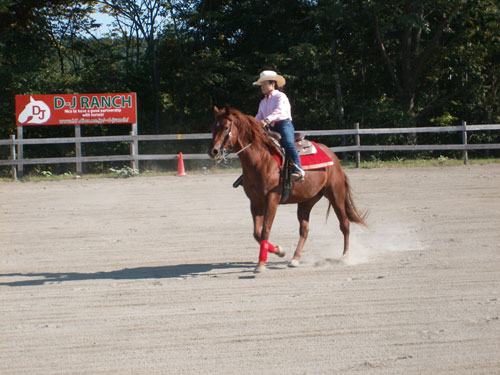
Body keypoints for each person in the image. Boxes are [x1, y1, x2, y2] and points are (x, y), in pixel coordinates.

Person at [254, 70, 305, 182]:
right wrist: (252, 124)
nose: (262, 87)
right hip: (270, 128)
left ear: (272, 84)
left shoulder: (280, 96)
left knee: (287, 143)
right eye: (261, 85)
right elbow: (258, 116)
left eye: (264, 84)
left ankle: (298, 169)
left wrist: (266, 120)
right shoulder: (263, 102)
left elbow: (279, 111)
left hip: (283, 125)